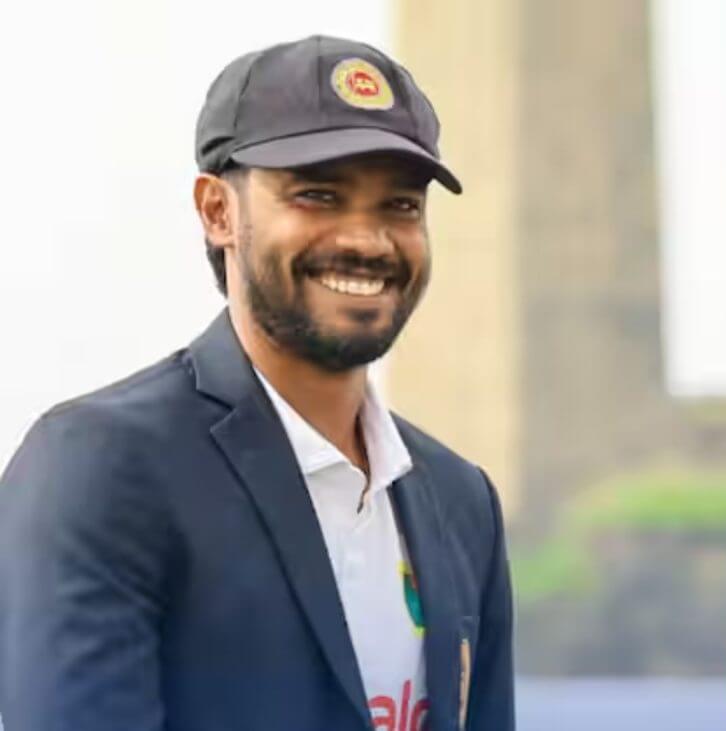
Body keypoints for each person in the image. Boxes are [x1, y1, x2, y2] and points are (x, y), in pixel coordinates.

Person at [0, 35, 513, 731]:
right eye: (318, 196)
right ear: (218, 211)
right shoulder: (101, 467)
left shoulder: (461, 500)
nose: (367, 240)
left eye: (400, 206)